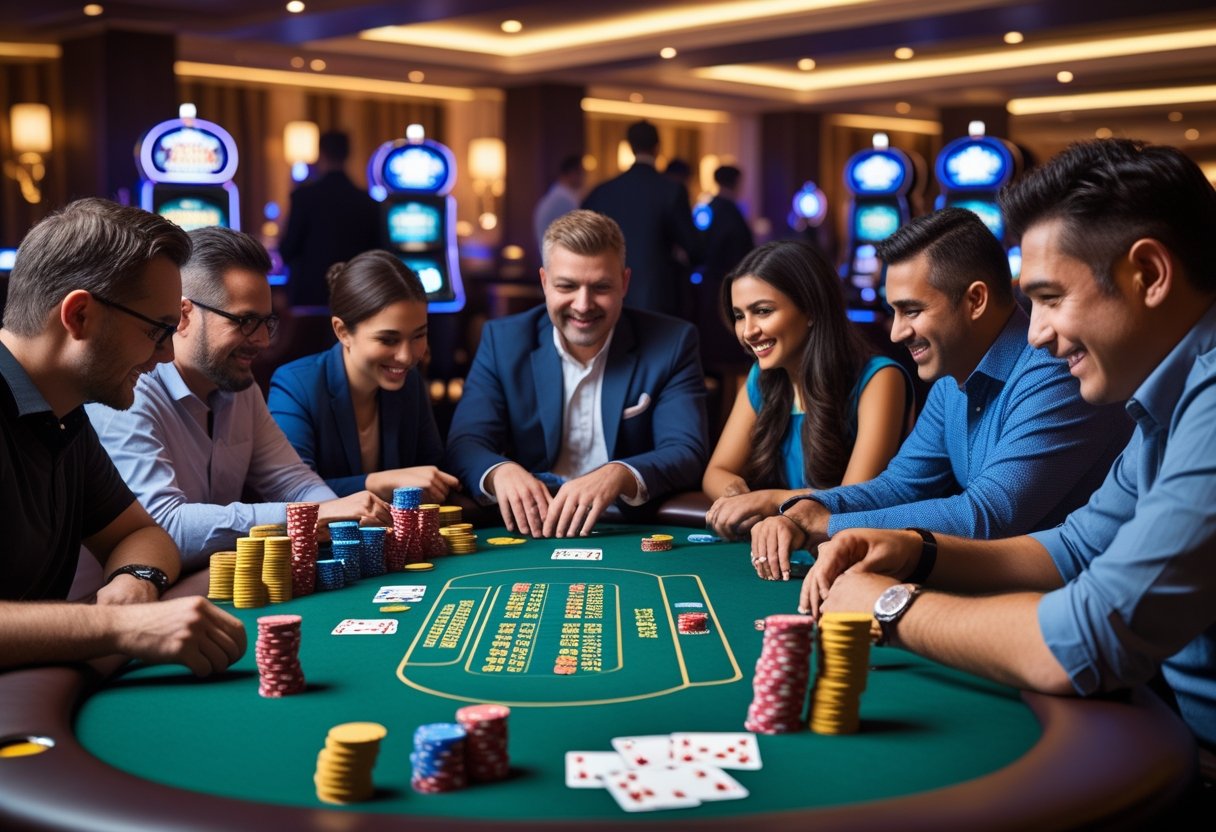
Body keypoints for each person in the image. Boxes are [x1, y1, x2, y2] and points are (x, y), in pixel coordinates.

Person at [802, 138, 1216, 755]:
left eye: (1051, 298)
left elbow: (1087, 642)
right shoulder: (1166, 396)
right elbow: (1076, 546)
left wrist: (888, 604)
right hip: (1167, 726)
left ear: (1149, 274)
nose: (1039, 332)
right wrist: (916, 550)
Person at [750, 207, 1131, 581]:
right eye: (893, 311)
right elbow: (900, 485)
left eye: (911, 311)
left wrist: (828, 524)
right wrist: (806, 509)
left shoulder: (1056, 369)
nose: (896, 332)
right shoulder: (951, 379)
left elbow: (988, 515)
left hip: (1073, 600)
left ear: (975, 300)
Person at [0, 198, 245, 676]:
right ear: (80, 316)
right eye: (157, 331)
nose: (167, 356)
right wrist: (120, 627)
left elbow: (141, 533)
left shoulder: (65, 414)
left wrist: (137, 578)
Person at [88, 226, 390, 573]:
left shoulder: (240, 388)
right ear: (184, 315)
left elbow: (293, 482)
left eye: (267, 322)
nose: (263, 341)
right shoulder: (130, 390)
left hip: (198, 587)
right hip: (110, 605)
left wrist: (349, 525)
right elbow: (163, 527)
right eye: (245, 321)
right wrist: (310, 516)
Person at [444, 209, 708, 538]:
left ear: (624, 283)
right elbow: (465, 443)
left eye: (600, 287)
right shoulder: (503, 341)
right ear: (544, 282)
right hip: (534, 525)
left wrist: (618, 474)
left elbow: (686, 450)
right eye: (567, 286)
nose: (583, 305)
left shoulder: (672, 342)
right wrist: (500, 472)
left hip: (626, 525)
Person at [703, 240, 911, 541]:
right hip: (786, 542)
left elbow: (856, 498)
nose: (748, 331)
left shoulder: (880, 378)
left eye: (762, 311)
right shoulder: (762, 379)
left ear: (811, 310)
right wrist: (738, 496)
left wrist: (771, 500)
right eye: (739, 315)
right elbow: (716, 472)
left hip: (856, 552)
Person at [268, 250, 459, 502]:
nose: (405, 356)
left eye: (418, 336)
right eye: (387, 339)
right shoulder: (295, 385)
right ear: (343, 331)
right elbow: (289, 494)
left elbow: (431, 474)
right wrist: (380, 482)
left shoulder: (410, 382)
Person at [582, 120, 705, 316]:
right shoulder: (671, 190)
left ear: (629, 146)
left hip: (605, 292)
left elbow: (584, 243)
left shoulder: (601, 192)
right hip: (657, 295)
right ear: (658, 148)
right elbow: (693, 247)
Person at [279, 130, 381, 308]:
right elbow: (377, 253)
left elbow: (288, 249)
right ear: (348, 154)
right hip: (354, 295)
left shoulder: (304, 196)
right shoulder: (368, 201)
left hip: (310, 296)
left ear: (321, 153)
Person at [697, 164, 757, 367]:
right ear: (736, 183)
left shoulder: (709, 208)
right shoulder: (730, 210)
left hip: (711, 282)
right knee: (725, 343)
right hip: (727, 283)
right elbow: (743, 250)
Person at [533, 154, 585, 253]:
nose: (583, 177)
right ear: (572, 173)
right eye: (581, 173)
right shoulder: (562, 200)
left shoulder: (558, 196)